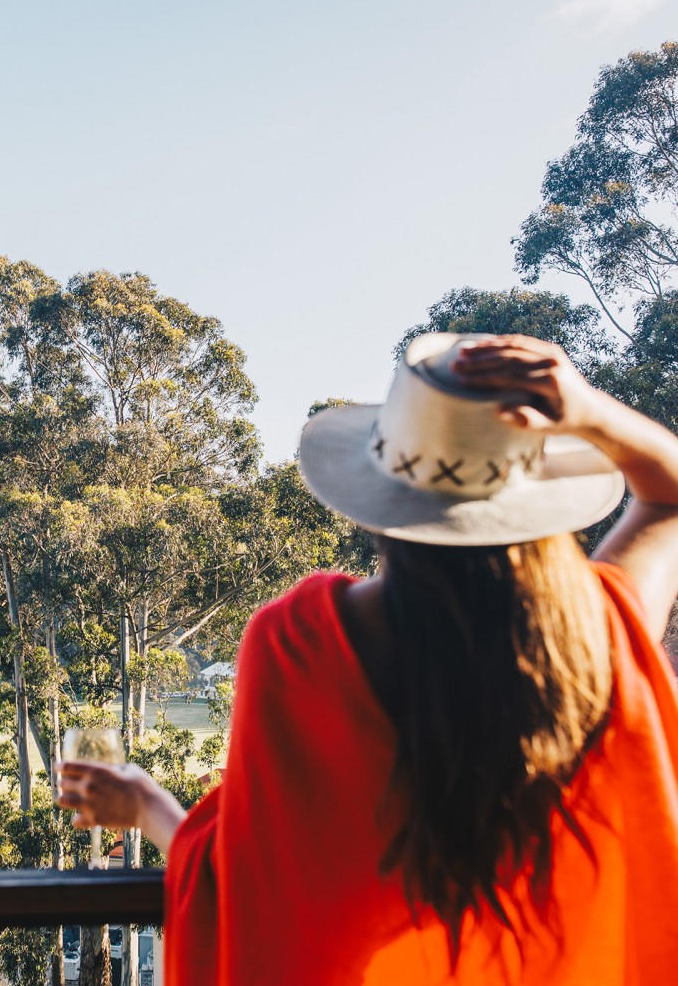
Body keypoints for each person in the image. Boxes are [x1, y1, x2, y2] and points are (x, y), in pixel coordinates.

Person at [58, 334, 678, 984]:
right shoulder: (601, 633)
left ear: (379, 503)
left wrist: (149, 808)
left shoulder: (300, 646)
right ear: (540, 500)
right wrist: (589, 412)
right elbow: (667, 498)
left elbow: (256, 891)